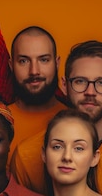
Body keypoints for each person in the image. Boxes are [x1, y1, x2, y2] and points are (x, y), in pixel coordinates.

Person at [11, 40, 102, 196]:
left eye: (101, 83)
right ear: (64, 85)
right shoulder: (26, 156)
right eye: (80, 81)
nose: (90, 92)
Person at [7, 26, 66, 161]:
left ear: (57, 64)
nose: (34, 71)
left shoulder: (76, 119)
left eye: (43, 60)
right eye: (24, 61)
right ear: (11, 65)